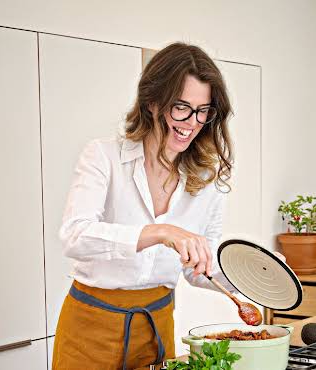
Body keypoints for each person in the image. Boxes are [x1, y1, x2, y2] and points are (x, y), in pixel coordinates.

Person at [52, 42, 236, 370]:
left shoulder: (208, 180)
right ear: (153, 102)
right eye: (181, 107)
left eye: (202, 110)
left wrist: (253, 276)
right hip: (89, 330)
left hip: (155, 330)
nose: (192, 122)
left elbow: (199, 270)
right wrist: (160, 232)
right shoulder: (103, 156)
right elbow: (75, 236)